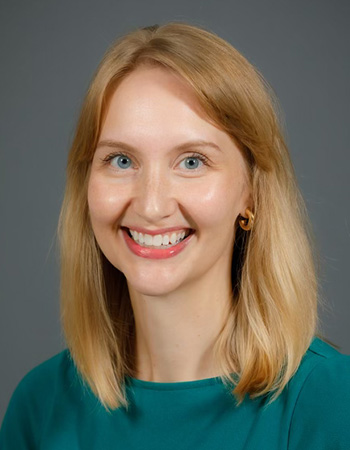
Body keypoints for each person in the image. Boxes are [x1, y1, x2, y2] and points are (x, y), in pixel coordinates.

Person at [1, 21, 349, 450]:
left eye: (191, 162)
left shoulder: (332, 403)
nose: (150, 205)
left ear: (251, 192)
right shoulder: (39, 407)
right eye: (122, 160)